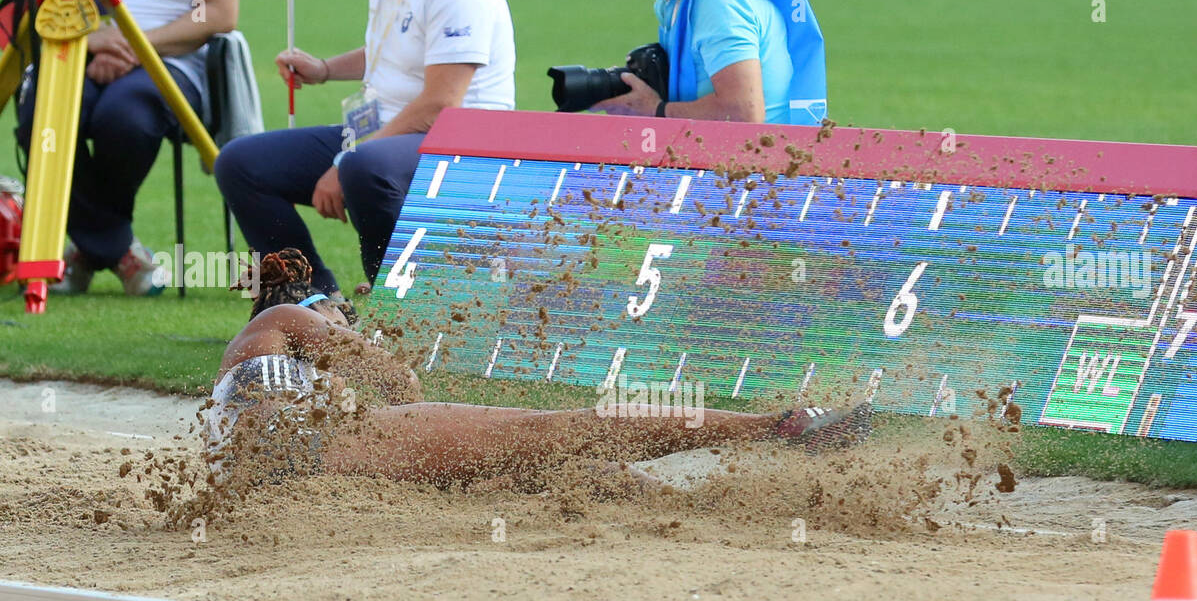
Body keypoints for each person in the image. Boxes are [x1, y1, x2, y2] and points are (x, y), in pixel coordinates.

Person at [206, 250, 873, 488]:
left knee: (518, 465)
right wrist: (369, 352)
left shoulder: (247, 372)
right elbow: (400, 381)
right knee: (549, 430)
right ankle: (777, 425)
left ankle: (617, 485)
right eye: (344, 320)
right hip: (313, 451)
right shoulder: (283, 324)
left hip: (273, 471)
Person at [215, 0, 514, 298]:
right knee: (241, 163)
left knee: (364, 166)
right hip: (388, 133)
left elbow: (440, 105)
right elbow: (392, 49)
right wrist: (325, 69)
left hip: (461, 142)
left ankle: (408, 301)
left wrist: (345, 160)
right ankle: (312, 302)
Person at [15, 0, 240, 296]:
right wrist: (89, 37)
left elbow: (216, 11)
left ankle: (88, 250)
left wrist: (136, 43)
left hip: (170, 56)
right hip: (75, 48)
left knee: (125, 116)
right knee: (42, 113)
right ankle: (116, 248)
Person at [594, 0, 826, 125]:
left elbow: (742, 113)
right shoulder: (676, 2)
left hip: (759, 185)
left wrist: (655, 109)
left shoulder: (717, 0)